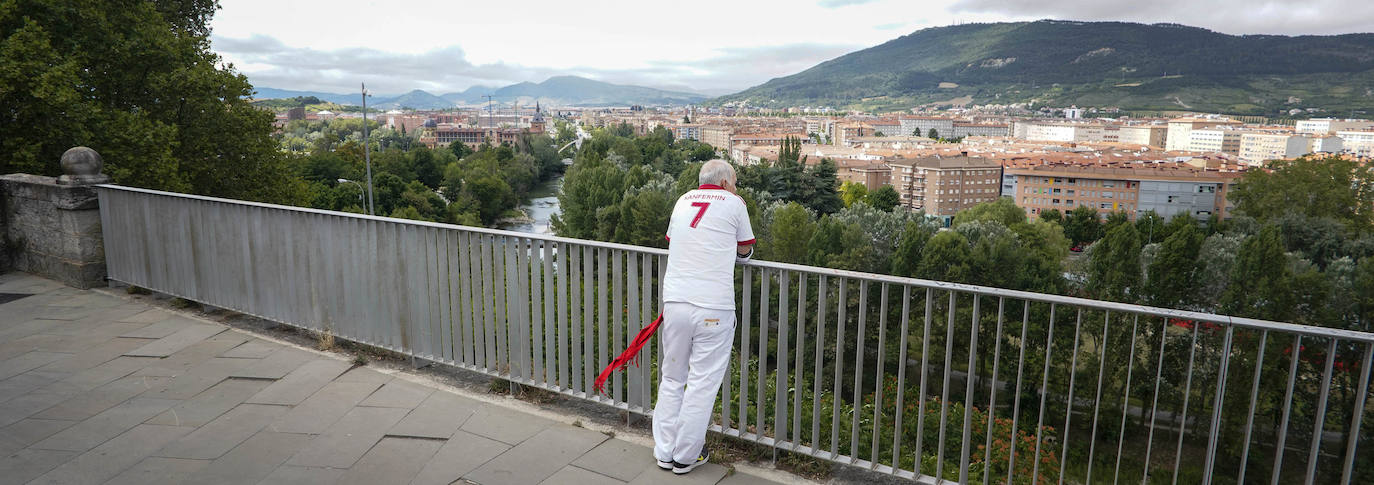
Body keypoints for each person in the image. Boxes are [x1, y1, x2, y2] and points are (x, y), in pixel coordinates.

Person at [653, 159, 755, 475]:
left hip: (676, 303)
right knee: (701, 383)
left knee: (672, 378)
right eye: (735, 181)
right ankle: (686, 456)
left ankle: (664, 451)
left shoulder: (683, 200)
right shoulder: (735, 203)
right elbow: (745, 251)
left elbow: (677, 241)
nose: (736, 187)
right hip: (714, 306)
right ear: (724, 183)